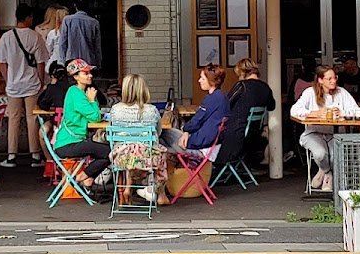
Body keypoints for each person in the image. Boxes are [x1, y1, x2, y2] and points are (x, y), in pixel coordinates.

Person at [290, 65, 360, 192]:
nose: (333, 81)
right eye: (329, 79)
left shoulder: (341, 92)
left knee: (335, 156)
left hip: (335, 134)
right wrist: (313, 113)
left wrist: (343, 112)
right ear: (320, 80)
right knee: (320, 153)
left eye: (335, 78)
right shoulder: (310, 92)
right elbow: (294, 110)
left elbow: (357, 110)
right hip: (314, 132)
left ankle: (323, 172)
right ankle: (327, 173)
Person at [0, 4, 49, 168]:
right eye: (31, 17)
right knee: (32, 118)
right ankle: (35, 155)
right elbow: (40, 63)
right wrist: (40, 81)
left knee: (13, 118)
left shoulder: (6, 37)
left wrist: (7, 79)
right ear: (27, 18)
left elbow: (1, 62)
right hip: (32, 84)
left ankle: (11, 156)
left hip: (13, 86)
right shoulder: (35, 37)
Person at [107, 74, 170, 205]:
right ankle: (160, 193)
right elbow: (157, 133)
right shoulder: (151, 110)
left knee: (131, 150)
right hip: (146, 158)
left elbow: (112, 128)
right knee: (161, 151)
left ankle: (127, 189)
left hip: (121, 157)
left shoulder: (115, 109)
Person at [53, 58, 111, 189]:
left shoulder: (78, 92)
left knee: (107, 152)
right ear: (76, 77)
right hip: (69, 143)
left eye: (90, 72)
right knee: (110, 152)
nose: (90, 75)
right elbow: (95, 117)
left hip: (74, 141)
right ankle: (80, 178)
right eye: (85, 73)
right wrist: (91, 100)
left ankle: (87, 178)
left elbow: (92, 116)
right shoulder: (76, 93)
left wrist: (91, 100)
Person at [221, 58, 276, 169]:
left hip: (236, 132)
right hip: (253, 133)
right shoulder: (266, 88)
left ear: (242, 72)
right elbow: (272, 106)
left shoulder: (242, 86)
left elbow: (226, 104)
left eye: (238, 74)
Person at [162, 65, 229, 156]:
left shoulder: (212, 99)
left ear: (211, 81)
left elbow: (198, 119)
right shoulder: (222, 97)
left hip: (201, 144)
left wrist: (186, 130)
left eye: (202, 78)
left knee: (163, 133)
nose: (199, 80)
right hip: (213, 142)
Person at [56, 3, 102, 68]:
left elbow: (62, 43)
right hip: (88, 60)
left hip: (71, 60)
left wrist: (62, 62)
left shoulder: (67, 20)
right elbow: (97, 46)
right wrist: (98, 63)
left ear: (76, 7)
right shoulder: (94, 22)